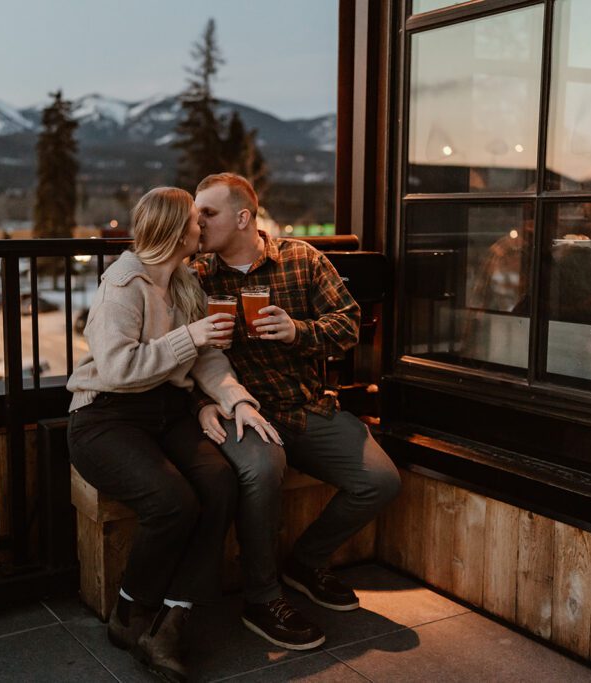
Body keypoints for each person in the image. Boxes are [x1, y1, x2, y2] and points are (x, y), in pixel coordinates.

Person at [67, 186, 280, 682]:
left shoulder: (184, 281)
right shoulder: (123, 284)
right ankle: (128, 611)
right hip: (106, 416)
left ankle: (173, 620)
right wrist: (190, 336)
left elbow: (205, 358)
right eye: (194, 220)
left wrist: (236, 399)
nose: (202, 227)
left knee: (221, 483)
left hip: (166, 413)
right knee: (173, 502)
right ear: (172, 230)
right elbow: (118, 369)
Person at [191, 173, 401, 650]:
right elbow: (182, 358)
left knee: (381, 481)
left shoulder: (301, 259)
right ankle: (262, 597)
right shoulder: (197, 274)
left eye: (209, 213)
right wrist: (203, 402)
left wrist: (298, 331)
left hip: (307, 407)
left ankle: (306, 561)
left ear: (243, 217)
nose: (197, 223)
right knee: (264, 470)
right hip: (244, 414)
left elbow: (348, 324)